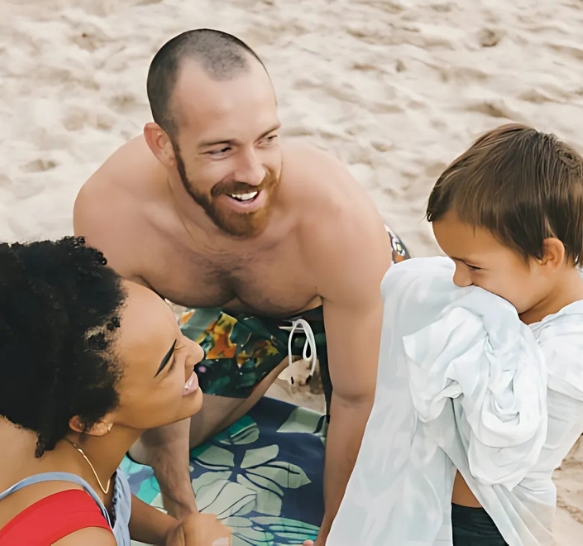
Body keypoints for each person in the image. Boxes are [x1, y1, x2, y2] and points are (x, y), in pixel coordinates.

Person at [73, 28, 409, 543]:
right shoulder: (112, 217)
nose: (253, 171)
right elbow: (145, 363)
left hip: (356, 305)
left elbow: (358, 400)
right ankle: (274, 360)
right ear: (163, 145)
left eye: (267, 138)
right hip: (245, 319)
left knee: (408, 456)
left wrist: (333, 535)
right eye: (221, 149)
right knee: (145, 435)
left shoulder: (336, 219)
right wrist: (182, 517)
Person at [326, 124, 583, 545]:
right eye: (454, 263)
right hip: (441, 501)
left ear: (546, 255)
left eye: (474, 267)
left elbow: (495, 444)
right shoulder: (519, 291)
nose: (459, 281)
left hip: (489, 522)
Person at [0, 234, 231, 546]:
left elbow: (97, 489)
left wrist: (169, 531)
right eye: (169, 361)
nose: (196, 352)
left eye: (179, 334)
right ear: (93, 421)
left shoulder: (36, 411)